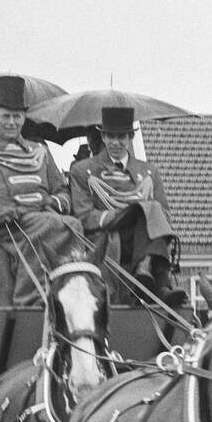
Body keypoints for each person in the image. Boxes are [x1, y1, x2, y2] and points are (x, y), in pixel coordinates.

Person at [0, 75, 84, 375]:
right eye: (6, 116)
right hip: (1, 225)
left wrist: (51, 204)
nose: (12, 122)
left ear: (24, 117)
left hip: (38, 218)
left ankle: (76, 292)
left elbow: (62, 192)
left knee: (75, 225)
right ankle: (28, 302)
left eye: (17, 116)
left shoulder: (40, 150)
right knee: (45, 225)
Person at [69, 106, 186, 307]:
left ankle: (146, 267)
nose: (116, 142)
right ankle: (160, 283)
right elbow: (84, 215)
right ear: (103, 137)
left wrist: (141, 214)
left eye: (121, 136)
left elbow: (164, 215)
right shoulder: (84, 170)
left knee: (153, 211)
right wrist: (125, 214)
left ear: (130, 137)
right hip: (109, 235)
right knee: (149, 209)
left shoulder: (149, 172)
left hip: (141, 238)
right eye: (111, 136)